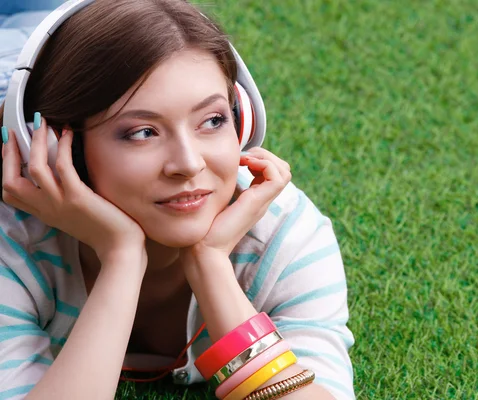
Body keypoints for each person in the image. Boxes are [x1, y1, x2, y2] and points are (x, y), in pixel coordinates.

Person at [0, 1, 355, 400]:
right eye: (142, 132)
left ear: (243, 122)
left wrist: (210, 261)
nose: (188, 164)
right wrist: (122, 256)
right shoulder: (14, 239)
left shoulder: (282, 233)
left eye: (213, 120)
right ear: (58, 154)